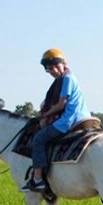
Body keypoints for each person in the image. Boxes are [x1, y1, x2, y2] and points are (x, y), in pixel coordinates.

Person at [23, 48, 90, 192]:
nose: (53, 71)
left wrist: (45, 114)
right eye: (49, 69)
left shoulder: (66, 79)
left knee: (39, 139)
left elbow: (61, 104)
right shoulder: (69, 77)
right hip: (84, 116)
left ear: (62, 64)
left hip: (69, 120)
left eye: (54, 67)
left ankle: (38, 179)